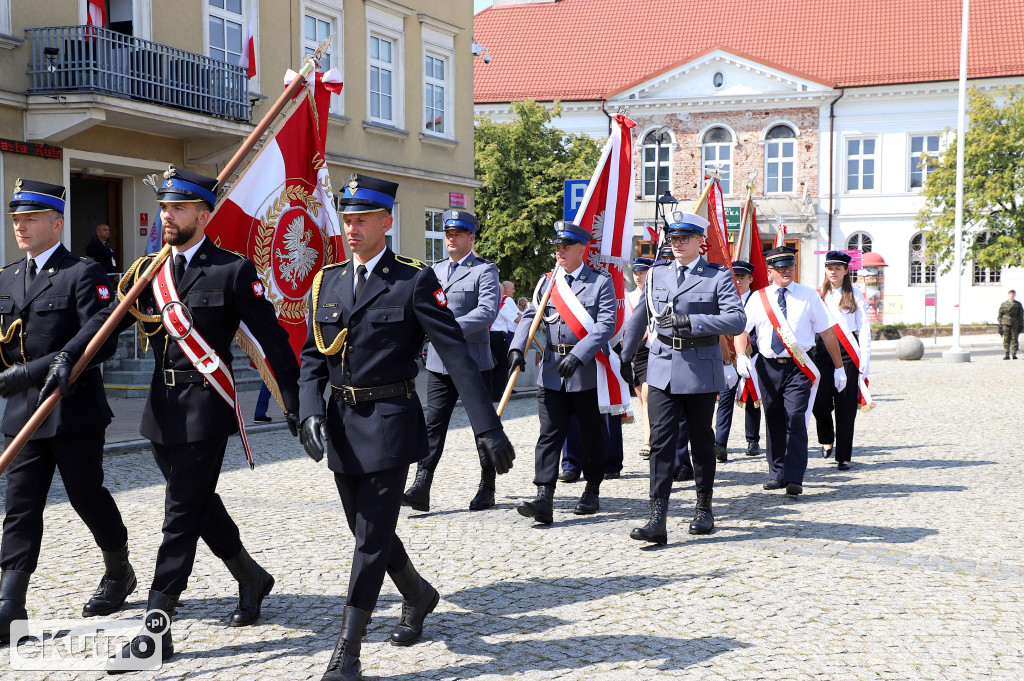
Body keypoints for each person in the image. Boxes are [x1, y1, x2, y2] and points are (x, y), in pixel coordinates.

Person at [39, 166, 302, 669]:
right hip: (160, 411)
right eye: (163, 208)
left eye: (178, 208)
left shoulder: (232, 270)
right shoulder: (147, 271)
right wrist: (68, 357)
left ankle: (156, 627)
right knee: (199, 504)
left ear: (204, 215)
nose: (167, 217)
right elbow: (103, 324)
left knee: (179, 514)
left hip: (207, 406)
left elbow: (273, 339)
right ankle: (250, 575)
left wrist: (294, 401)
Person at [297, 174, 514, 681]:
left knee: (370, 537)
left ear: (386, 223)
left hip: (391, 423)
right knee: (366, 527)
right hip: (342, 424)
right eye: (347, 219)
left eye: (362, 220)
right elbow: (311, 358)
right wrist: (309, 409)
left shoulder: (412, 280)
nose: (351, 228)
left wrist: (487, 426)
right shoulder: (327, 280)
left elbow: (455, 353)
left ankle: (347, 649)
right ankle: (418, 593)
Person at [0, 180, 135, 645]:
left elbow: (102, 334)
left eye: (30, 218)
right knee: (20, 505)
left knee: (85, 494)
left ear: (56, 223)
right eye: (17, 218)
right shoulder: (7, 276)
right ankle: (9, 604)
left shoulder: (83, 272)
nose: (20, 225)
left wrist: (32, 371)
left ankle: (119, 570)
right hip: (22, 413)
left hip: (71, 409)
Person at [620, 212, 746, 544]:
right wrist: (625, 353)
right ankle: (656, 518)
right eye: (673, 239)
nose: (677, 244)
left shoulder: (717, 276)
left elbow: (736, 320)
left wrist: (692, 322)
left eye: (684, 239)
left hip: (700, 366)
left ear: (699, 241)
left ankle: (704, 508)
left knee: (701, 441)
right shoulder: (658, 273)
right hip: (661, 365)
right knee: (661, 442)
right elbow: (641, 314)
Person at [509, 220, 616, 523]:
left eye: (566, 246)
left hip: (587, 372)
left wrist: (580, 355)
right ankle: (544, 496)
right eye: (557, 246)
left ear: (582, 249)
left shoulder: (599, 282)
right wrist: (518, 348)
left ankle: (592, 489)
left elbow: (606, 325)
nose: (560, 251)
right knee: (549, 434)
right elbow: (530, 317)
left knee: (591, 434)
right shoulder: (548, 281)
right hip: (553, 370)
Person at [402, 209, 501, 512]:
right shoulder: (436, 270)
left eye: (457, 234)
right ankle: (422, 485)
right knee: (433, 425)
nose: (451, 239)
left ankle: (487, 488)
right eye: (448, 234)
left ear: (471, 238)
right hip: (438, 361)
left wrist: (447, 330)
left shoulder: (485, 270)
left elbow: (487, 312)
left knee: (480, 426)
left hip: (473, 361)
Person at [733, 246, 847, 496]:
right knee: (773, 419)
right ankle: (777, 473)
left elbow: (827, 333)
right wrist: (740, 354)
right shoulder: (758, 298)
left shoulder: (808, 296)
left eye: (790, 267)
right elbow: (742, 330)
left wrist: (840, 368)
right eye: (780, 268)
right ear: (770, 271)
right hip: (767, 367)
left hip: (798, 367)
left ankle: (795, 477)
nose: (786, 271)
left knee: (795, 420)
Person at [812, 251, 871, 470]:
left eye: (838, 268)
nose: (833, 272)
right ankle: (826, 437)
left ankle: (843, 455)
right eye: (830, 268)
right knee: (820, 403)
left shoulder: (855, 295)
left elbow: (864, 328)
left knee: (846, 405)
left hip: (848, 351)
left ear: (846, 270)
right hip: (821, 352)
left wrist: (865, 357)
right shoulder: (817, 295)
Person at [713, 261, 762, 458]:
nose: (738, 281)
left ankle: (752, 440)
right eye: (735, 277)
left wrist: (750, 350)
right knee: (725, 400)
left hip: (751, 357)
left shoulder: (757, 300)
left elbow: (761, 331)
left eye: (742, 277)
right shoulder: (724, 300)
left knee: (752, 399)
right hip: (727, 358)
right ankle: (720, 444)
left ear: (750, 279)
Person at [626, 257, 654, 460]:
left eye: (642, 273)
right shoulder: (628, 297)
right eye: (636, 273)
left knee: (647, 395)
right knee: (640, 397)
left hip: (650, 346)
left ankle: (648, 440)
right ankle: (651, 433)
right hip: (634, 348)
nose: (638, 276)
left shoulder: (654, 294)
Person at [489, 280, 521, 400]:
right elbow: (517, 319)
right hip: (498, 337)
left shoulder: (488, 303)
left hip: (489, 337)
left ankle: (492, 393)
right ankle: (496, 394)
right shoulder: (501, 305)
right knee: (501, 367)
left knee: (492, 367)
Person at [997, 289, 1023, 360]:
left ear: (1014, 295)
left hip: (1015, 323)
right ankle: (1007, 353)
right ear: (1008, 295)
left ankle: (1014, 353)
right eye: (1010, 294)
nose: (1012, 295)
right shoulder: (1004, 304)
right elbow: (1000, 314)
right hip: (1005, 323)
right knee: (1006, 338)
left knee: (1014, 338)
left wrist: (1021, 324)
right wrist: (999, 324)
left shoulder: (1018, 304)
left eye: (1013, 294)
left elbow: (1021, 315)